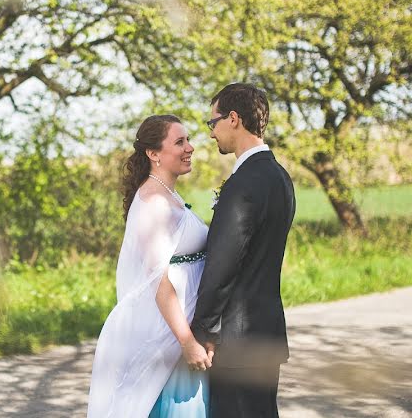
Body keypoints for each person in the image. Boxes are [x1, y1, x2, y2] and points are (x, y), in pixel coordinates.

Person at [87, 114, 211, 417]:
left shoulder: (169, 194)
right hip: (164, 334)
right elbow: (160, 281)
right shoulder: (153, 203)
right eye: (179, 142)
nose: (190, 148)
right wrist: (187, 342)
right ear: (153, 154)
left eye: (189, 140)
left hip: (179, 329)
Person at [190, 83, 296, 418]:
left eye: (213, 123)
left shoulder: (243, 184)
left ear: (233, 119)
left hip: (237, 342)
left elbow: (223, 265)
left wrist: (203, 330)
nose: (211, 134)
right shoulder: (280, 178)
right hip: (267, 333)